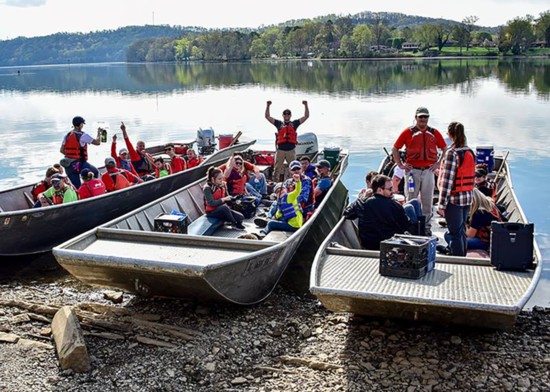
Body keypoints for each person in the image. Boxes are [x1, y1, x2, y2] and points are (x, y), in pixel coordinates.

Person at [392, 107, 447, 234]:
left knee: (427, 201)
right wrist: (400, 165)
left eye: (425, 117)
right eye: (420, 117)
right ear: (415, 117)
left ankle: (426, 227)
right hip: (412, 172)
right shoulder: (407, 132)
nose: (423, 119)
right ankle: (411, 226)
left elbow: (444, 148)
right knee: (411, 199)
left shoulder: (434, 132)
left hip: (428, 171)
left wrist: (438, 163)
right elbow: (395, 148)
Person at [438, 122, 475, 256]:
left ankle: (459, 259)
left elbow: (447, 182)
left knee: (455, 232)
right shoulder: (469, 151)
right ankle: (462, 253)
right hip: (467, 198)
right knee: (461, 231)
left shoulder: (451, 153)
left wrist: (441, 204)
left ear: (450, 135)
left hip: (454, 200)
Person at [343, 174, 410, 250]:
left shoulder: (362, 203)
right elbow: (406, 225)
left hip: (369, 245)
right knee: (410, 207)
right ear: (379, 190)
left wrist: (362, 197)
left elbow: (347, 214)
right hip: (391, 245)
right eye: (390, 189)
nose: (393, 191)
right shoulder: (395, 205)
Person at [265, 100, 309, 182]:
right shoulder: (279, 123)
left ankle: (294, 183)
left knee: (294, 168)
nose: (286, 115)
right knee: (277, 168)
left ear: (290, 115)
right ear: (283, 115)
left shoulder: (294, 123)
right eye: (285, 114)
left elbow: (306, 116)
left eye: (288, 114)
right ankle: (275, 183)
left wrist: (305, 105)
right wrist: (268, 105)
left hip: (291, 151)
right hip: (280, 150)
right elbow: (267, 116)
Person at [59, 116, 101, 188]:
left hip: (68, 166)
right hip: (80, 164)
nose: (83, 126)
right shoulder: (83, 135)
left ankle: (81, 195)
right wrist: (99, 133)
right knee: (95, 172)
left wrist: (72, 156)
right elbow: (97, 142)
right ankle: (95, 189)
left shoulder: (67, 135)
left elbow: (62, 150)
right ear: (80, 124)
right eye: (82, 124)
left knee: (77, 187)